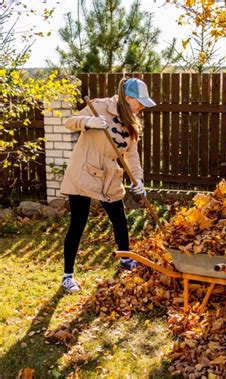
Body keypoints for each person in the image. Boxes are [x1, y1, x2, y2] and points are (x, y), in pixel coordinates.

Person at [59, 78, 156, 292]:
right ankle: (67, 276)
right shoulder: (99, 107)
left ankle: (125, 259)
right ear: (127, 98)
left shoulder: (131, 121)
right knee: (78, 223)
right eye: (139, 102)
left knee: (120, 220)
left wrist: (137, 179)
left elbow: (131, 154)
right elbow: (69, 122)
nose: (141, 107)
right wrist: (88, 122)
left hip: (110, 177)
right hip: (84, 172)